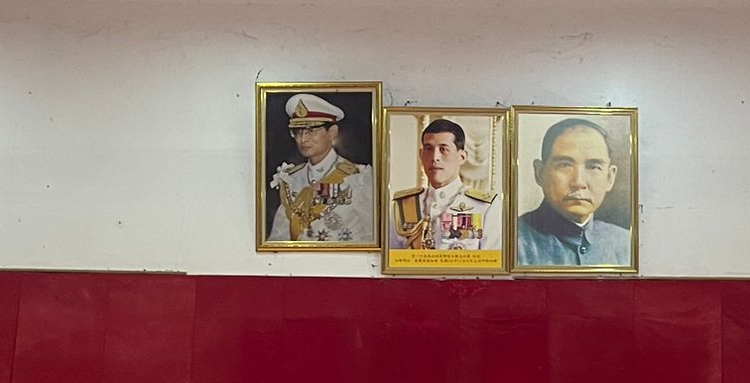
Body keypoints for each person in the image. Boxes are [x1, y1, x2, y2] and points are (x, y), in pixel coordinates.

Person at [513, 116, 632, 268]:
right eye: (565, 165)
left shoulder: (626, 243)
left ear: (610, 177)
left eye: (593, 167)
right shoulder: (511, 240)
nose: (578, 182)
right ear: (540, 173)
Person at [267, 92, 376, 244]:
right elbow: (278, 240)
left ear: (332, 133)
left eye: (311, 131)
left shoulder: (358, 178)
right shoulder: (290, 179)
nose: (303, 139)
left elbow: (373, 236)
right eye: (297, 132)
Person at [389, 117, 503, 251]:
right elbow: (391, 258)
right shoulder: (403, 205)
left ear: (462, 157)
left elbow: (493, 261)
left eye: (443, 149)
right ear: (421, 155)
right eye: (428, 149)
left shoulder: (485, 206)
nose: (434, 157)